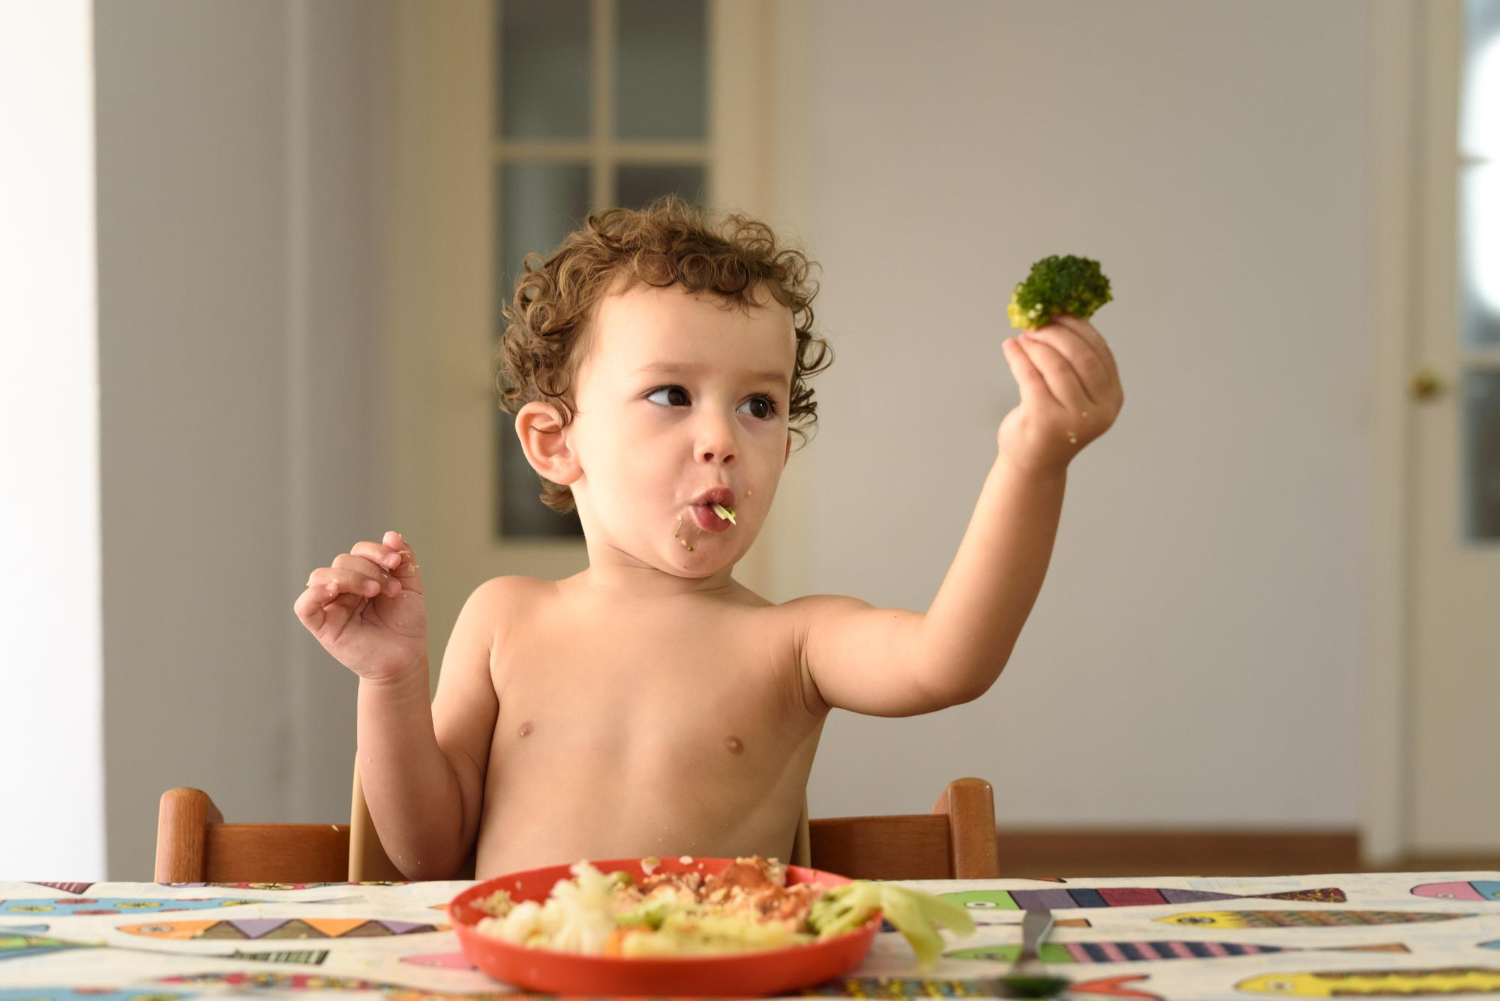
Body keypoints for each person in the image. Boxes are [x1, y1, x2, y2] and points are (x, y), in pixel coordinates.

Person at [293, 196, 1124, 879]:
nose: (722, 437)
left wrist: (1035, 460)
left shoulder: (793, 644)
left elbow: (952, 659)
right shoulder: (505, 619)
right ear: (556, 441)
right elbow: (426, 854)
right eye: (671, 394)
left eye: (758, 405)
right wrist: (393, 680)